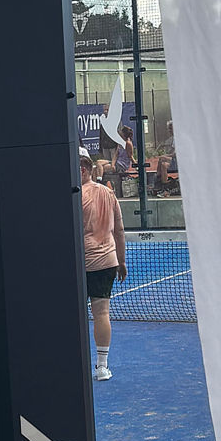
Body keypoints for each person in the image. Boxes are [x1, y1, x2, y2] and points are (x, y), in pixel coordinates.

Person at [80, 147, 126, 381]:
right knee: (102, 312)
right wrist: (122, 261)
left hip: (81, 265)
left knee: (77, 315)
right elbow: (119, 230)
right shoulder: (109, 194)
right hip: (108, 261)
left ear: (83, 170)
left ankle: (93, 366)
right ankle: (101, 367)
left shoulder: (74, 196)